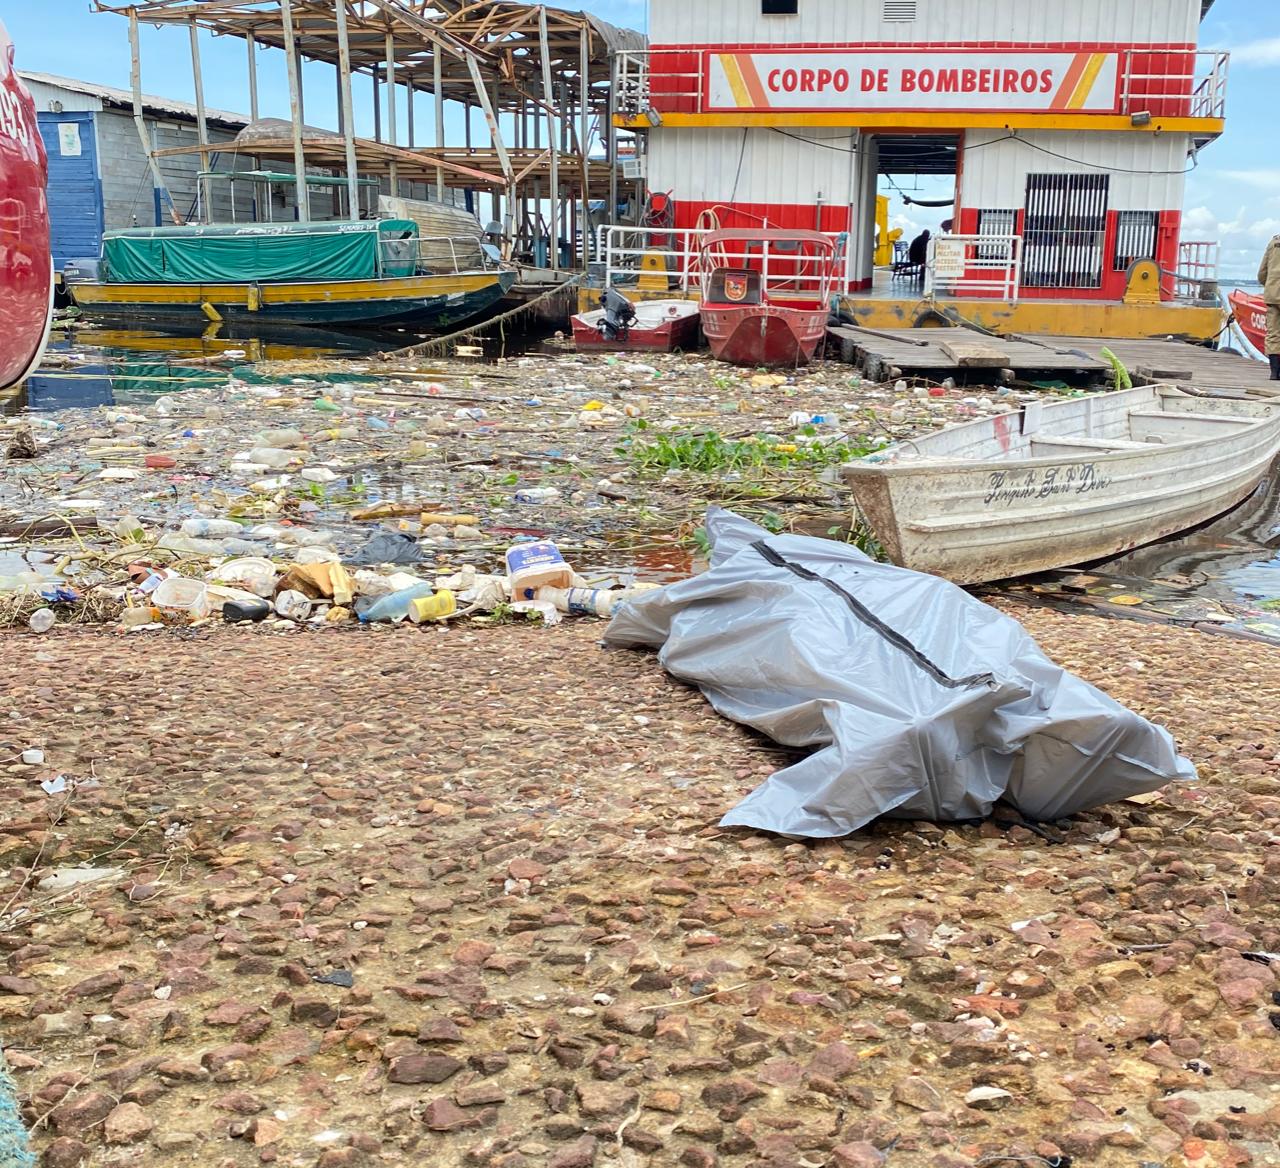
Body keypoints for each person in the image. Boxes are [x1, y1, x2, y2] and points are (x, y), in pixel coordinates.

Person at [1260, 233, 1280, 380]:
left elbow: (1262, 273)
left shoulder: (1274, 241)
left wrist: (1270, 285)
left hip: (1273, 294)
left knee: (1273, 334)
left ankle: (1274, 372)